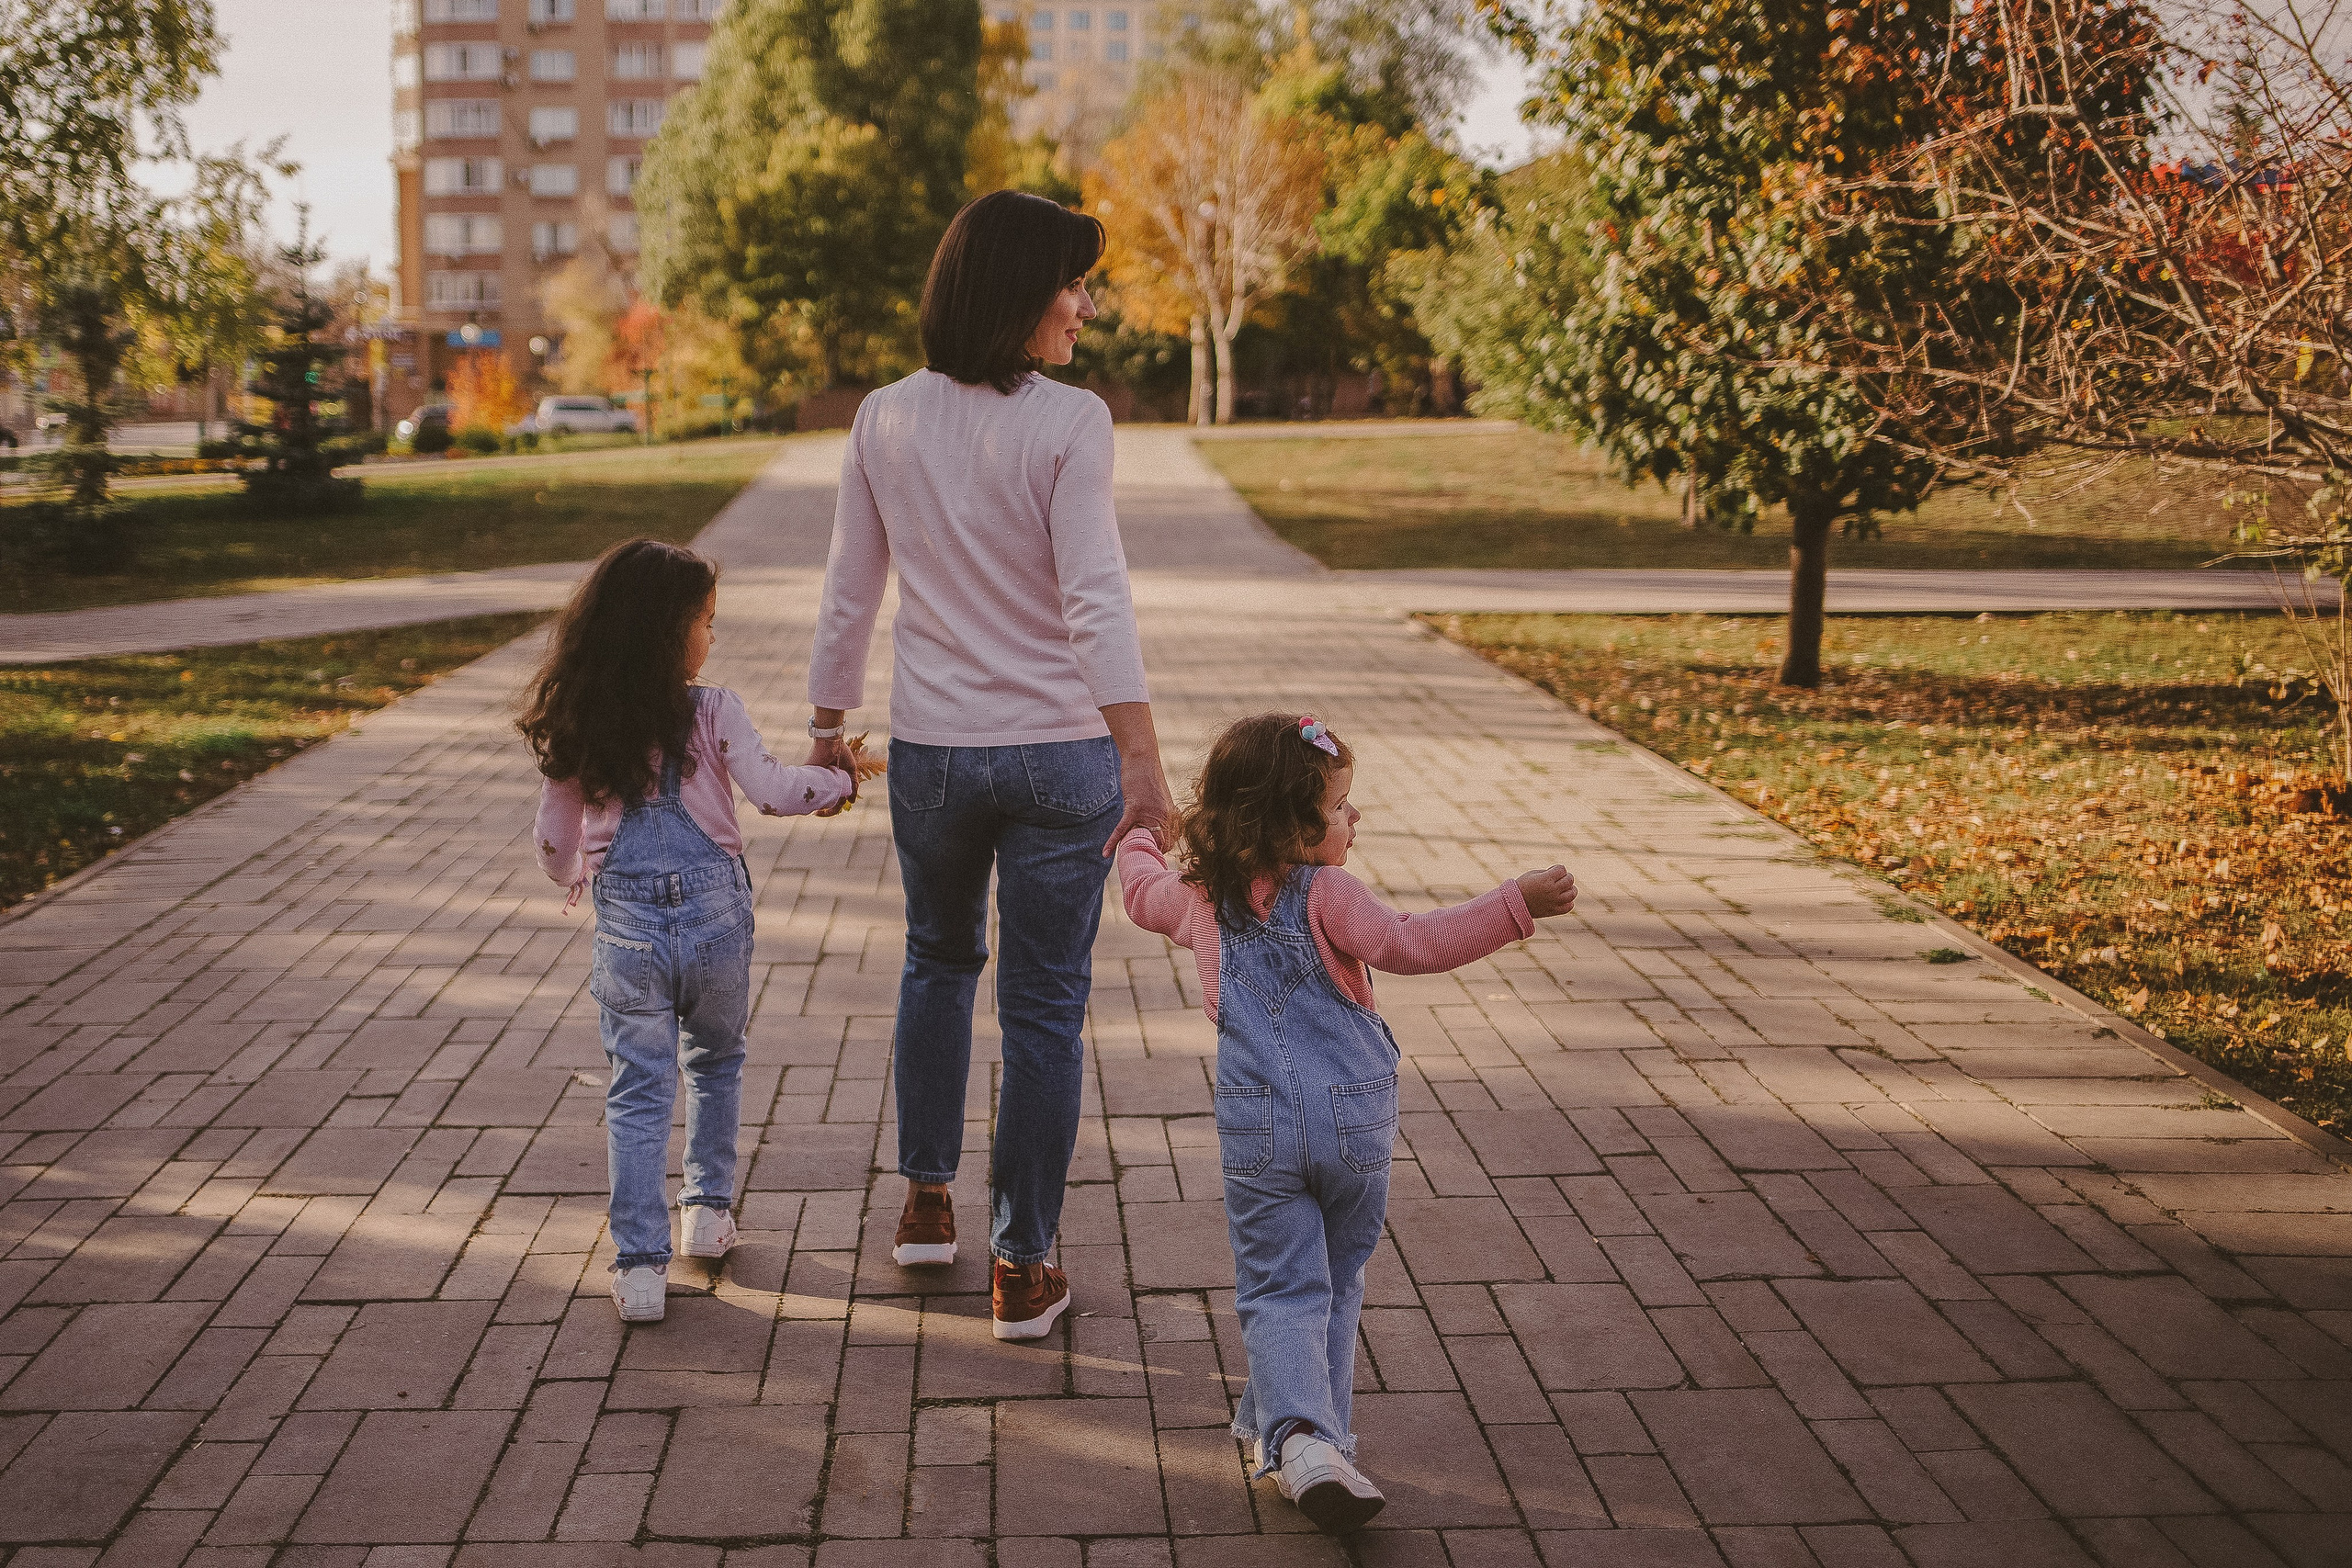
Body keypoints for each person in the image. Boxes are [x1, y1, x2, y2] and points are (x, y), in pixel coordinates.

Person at [805, 189, 1173, 1341]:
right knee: (1046, 1010)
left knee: (935, 963)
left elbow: (848, 587)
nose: (1085, 304)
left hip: (935, 757)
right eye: (1071, 282)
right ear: (1018, 293)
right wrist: (1143, 759)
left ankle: (924, 1207)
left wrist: (826, 726)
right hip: (1062, 756)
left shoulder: (883, 418)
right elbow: (1093, 597)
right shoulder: (1070, 422)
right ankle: (1023, 1267)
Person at [1118, 712, 1578, 1533]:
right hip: (1353, 1125)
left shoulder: (1201, 898)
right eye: (1339, 809)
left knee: (1279, 1283)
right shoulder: (1331, 894)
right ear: (1293, 828)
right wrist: (1517, 901)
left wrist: (1137, 839)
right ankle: (1311, 1437)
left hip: (1258, 1131)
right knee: (1332, 1279)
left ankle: (1297, 1433)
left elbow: (1139, 893)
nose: (1353, 820)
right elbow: (1413, 943)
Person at [523, 537, 855, 1323]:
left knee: (638, 1090)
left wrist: (578, 875)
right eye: (705, 621)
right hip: (716, 928)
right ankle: (706, 1212)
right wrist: (836, 780)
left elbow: (550, 838)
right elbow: (774, 791)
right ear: (668, 632)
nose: (712, 635)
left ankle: (639, 1267)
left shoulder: (584, 720)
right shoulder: (715, 710)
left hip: (629, 934)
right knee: (717, 1060)